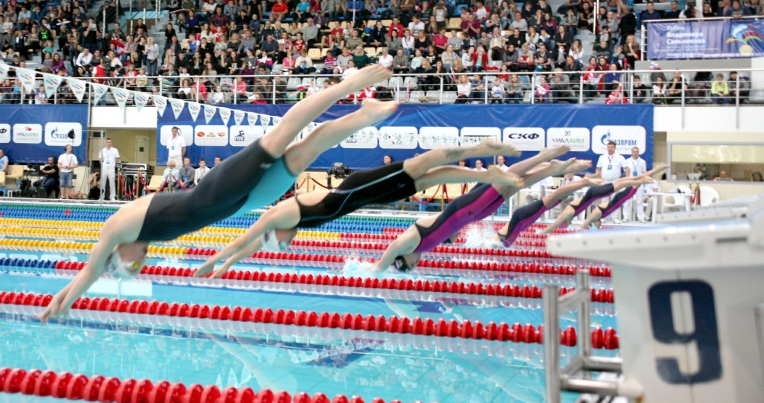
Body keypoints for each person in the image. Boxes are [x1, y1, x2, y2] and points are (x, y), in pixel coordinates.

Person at [40, 64, 395, 321]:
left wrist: (66, 300)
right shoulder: (140, 236)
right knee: (304, 153)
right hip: (236, 205)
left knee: (284, 132)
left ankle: (352, 83)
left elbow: (89, 270)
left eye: (131, 264)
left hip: (215, 193)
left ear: (117, 255)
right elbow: (90, 272)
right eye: (139, 268)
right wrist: (64, 298)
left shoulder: (117, 228)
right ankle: (365, 116)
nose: (141, 262)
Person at [193, 140, 523, 278]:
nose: (287, 243)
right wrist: (227, 268)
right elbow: (249, 248)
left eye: (281, 242)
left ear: (274, 232)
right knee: (426, 179)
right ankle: (485, 174)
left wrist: (212, 263)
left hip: (358, 188)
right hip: (366, 197)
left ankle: (480, 150)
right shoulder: (287, 225)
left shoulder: (279, 215)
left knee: (423, 164)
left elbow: (242, 242)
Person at [373, 146, 577, 272]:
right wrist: (453, 233)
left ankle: (542, 157)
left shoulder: (409, 244)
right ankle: (551, 169)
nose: (414, 266)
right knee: (513, 186)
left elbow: (392, 247)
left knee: (503, 180)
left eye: (408, 266)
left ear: (402, 259)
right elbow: (441, 223)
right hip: (471, 214)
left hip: (465, 210)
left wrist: (378, 269)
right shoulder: (418, 247)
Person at [485, 173, 603, 247]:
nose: (566, 224)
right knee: (557, 195)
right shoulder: (568, 211)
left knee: (556, 195)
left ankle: (584, 182)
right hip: (523, 217)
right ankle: (584, 182)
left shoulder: (496, 241)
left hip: (521, 216)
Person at [577, 167, 669, 230]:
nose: (600, 224)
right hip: (617, 199)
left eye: (598, 224)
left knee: (634, 181)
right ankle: (650, 173)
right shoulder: (599, 216)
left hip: (616, 199)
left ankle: (650, 173)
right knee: (634, 182)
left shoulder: (596, 215)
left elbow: (581, 226)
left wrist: (581, 227)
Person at [595, 140, 627, 221]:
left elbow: (627, 168)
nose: (610, 149)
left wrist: (627, 178)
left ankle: (615, 218)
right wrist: (598, 178)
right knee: (604, 199)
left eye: (612, 147)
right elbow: (598, 169)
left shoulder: (620, 157)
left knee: (615, 199)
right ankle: (603, 217)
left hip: (615, 181)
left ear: (615, 148)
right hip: (605, 181)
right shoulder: (602, 157)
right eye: (608, 147)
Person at [622, 147, 648, 221]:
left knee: (639, 200)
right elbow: (626, 172)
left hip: (639, 183)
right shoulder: (627, 161)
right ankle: (626, 217)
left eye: (637, 151)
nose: (635, 153)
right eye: (634, 151)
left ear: (638, 152)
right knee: (627, 200)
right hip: (630, 182)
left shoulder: (642, 162)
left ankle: (641, 217)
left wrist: (643, 181)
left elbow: (644, 173)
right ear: (631, 152)